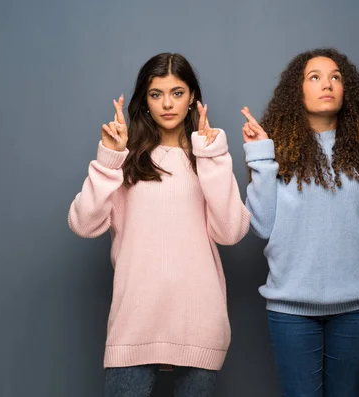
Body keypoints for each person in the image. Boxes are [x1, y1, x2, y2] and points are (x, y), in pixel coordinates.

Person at [68, 52, 250, 397]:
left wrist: (211, 158)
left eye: (177, 92)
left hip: (199, 321)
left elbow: (231, 232)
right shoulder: (126, 159)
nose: (167, 104)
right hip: (134, 320)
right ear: (145, 100)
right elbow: (82, 224)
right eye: (156, 94)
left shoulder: (207, 157)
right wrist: (109, 160)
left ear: (193, 97)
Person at [241, 48, 359, 397]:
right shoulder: (275, 151)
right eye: (315, 77)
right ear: (297, 90)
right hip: (291, 308)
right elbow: (261, 225)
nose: (328, 84)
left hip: (357, 307)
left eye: (336, 77)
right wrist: (261, 160)